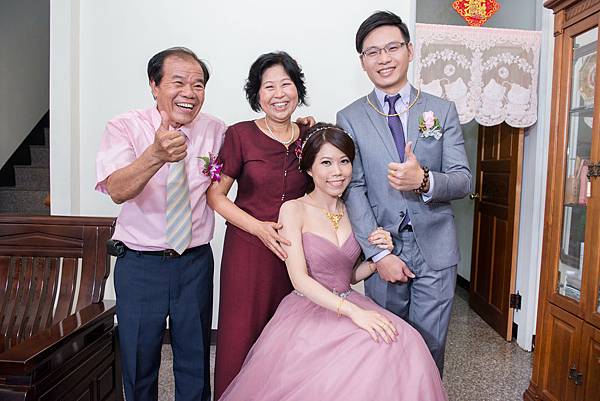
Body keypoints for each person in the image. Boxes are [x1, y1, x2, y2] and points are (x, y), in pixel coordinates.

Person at [218, 123, 447, 401]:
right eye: (326, 163)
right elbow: (299, 280)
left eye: (344, 161)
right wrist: (354, 313)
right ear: (309, 168)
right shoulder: (293, 209)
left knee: (406, 340)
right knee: (354, 362)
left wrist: (376, 259)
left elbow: (346, 276)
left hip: (348, 299)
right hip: (310, 309)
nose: (337, 171)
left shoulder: (354, 211)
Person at [336, 11, 472, 375]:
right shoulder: (350, 117)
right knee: (386, 343)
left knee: (430, 345)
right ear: (362, 61)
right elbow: (354, 187)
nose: (383, 58)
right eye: (372, 52)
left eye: (392, 48)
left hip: (436, 248)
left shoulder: (441, 110)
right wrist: (379, 254)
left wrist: (423, 180)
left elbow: (462, 180)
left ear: (409, 51)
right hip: (384, 245)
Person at [95, 47, 225, 401]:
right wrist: (154, 155)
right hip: (140, 265)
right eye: (178, 82)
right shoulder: (124, 126)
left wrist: (299, 129)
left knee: (195, 361)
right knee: (139, 361)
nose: (189, 93)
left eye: (198, 85)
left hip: (194, 263)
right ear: (154, 86)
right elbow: (117, 191)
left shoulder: (216, 131)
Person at [207, 51, 313, 398]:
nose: (279, 94)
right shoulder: (239, 135)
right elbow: (215, 196)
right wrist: (258, 228)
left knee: (287, 335)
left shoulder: (310, 137)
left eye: (286, 84)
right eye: (269, 86)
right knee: (240, 335)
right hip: (248, 250)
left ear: (298, 89)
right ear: (257, 94)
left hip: (293, 253)